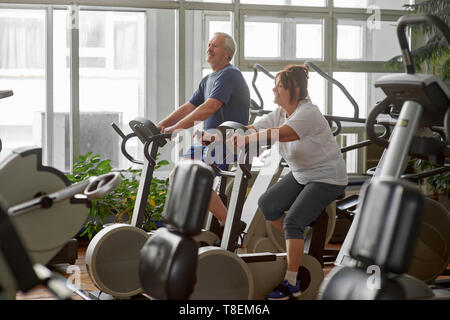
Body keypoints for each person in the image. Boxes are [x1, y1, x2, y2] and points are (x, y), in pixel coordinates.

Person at [229, 64, 348, 300]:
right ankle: (295, 239)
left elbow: (280, 134)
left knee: (293, 220)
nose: (273, 89)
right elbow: (253, 127)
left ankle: (292, 282)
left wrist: (249, 138)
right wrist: (218, 135)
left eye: (278, 86)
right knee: (268, 205)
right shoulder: (282, 112)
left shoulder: (308, 113)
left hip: (327, 178)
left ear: (293, 90)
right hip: (302, 173)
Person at [157, 32, 250, 232]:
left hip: (226, 139)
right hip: (208, 140)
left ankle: (228, 223)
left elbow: (209, 107)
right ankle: (198, 224)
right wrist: (161, 125)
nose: (208, 48)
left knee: (191, 176)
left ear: (228, 53)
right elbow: (189, 107)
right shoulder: (209, 79)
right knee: (177, 175)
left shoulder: (229, 74)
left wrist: (175, 129)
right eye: (208, 45)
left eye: (214, 45)